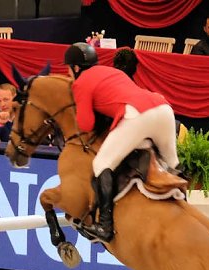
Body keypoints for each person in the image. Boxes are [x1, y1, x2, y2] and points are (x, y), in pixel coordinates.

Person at [64, 42, 178, 241]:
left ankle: (104, 226)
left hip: (136, 115)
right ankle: (186, 206)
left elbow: (86, 124)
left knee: (101, 164)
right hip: (163, 108)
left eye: (69, 68)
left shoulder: (81, 82)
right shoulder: (112, 72)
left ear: (75, 67)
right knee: (174, 165)